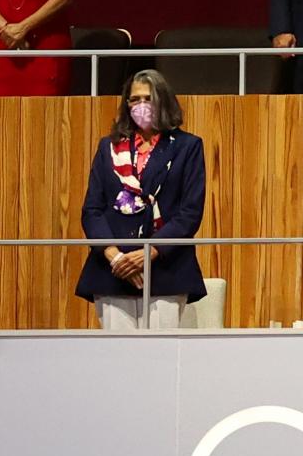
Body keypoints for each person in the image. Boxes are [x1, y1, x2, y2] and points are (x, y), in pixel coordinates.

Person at [75, 69, 210, 331]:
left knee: (160, 360)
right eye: (134, 100)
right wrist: (115, 258)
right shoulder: (108, 147)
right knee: (119, 360)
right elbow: (92, 210)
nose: (141, 106)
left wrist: (149, 252)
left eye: (148, 98)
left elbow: (189, 212)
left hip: (166, 269)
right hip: (113, 270)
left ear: (164, 101)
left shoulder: (187, 146)